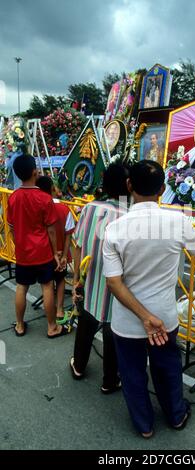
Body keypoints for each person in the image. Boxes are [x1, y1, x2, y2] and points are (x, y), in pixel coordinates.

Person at [102, 160, 195, 438]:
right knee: (167, 369)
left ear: (129, 185)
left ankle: (144, 425)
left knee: (133, 375)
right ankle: (176, 415)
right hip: (165, 317)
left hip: (128, 321)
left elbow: (113, 282)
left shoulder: (115, 229)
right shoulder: (178, 221)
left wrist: (143, 318)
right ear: (162, 189)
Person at [70, 163, 130, 393]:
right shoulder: (130, 216)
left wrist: (77, 277)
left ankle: (79, 366)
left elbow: (77, 244)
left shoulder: (90, 208)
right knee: (113, 331)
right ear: (129, 185)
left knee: (86, 321)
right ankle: (110, 380)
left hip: (91, 280)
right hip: (118, 287)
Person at [7, 155, 69, 338]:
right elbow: (50, 231)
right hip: (42, 252)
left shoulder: (13, 198)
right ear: (35, 171)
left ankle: (19, 325)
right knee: (47, 287)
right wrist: (56, 254)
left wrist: (18, 243)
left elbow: (11, 228)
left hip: (23, 253)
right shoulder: (44, 198)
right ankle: (52, 327)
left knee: (21, 287)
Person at [36, 176, 75, 323]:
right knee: (60, 280)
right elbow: (68, 235)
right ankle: (59, 309)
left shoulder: (38, 208)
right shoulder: (64, 209)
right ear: (53, 189)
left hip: (44, 254)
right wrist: (64, 255)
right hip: (61, 252)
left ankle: (50, 311)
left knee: (46, 284)